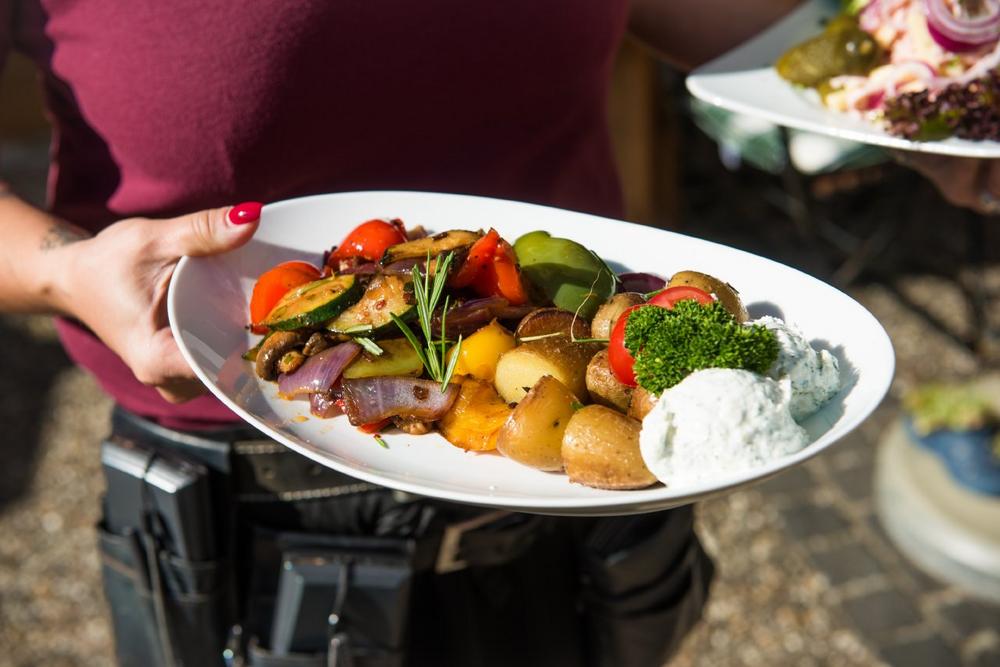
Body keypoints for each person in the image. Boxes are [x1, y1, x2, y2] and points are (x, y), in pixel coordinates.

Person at [0, 1, 915, 665]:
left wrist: (922, 99)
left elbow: (714, 16)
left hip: (586, 478)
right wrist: (57, 268)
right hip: (241, 507)